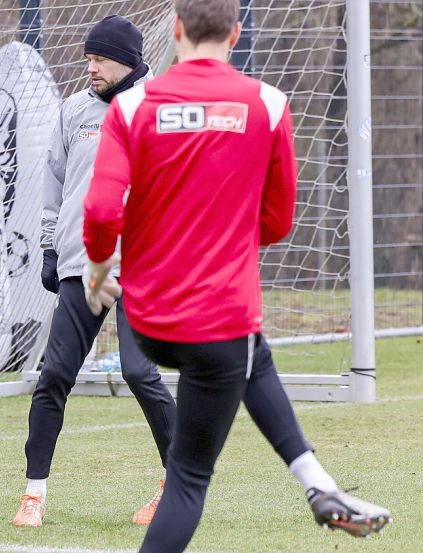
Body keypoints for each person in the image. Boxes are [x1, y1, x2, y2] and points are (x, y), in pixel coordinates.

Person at [81, 1, 391, 550]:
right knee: (188, 479)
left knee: (253, 352)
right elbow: (277, 221)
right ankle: (318, 487)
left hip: (151, 321)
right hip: (219, 321)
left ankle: (318, 484)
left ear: (175, 31)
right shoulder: (268, 104)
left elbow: (103, 210)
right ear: (236, 34)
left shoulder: (131, 108)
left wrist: (99, 270)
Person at [12, 15, 177, 528]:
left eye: (100, 58)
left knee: (139, 371)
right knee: (54, 374)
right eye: (88, 58)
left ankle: (178, 485)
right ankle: (33, 493)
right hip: (81, 265)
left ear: (127, 60)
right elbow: (54, 185)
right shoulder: (73, 110)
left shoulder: (160, 110)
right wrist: (47, 248)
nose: (92, 68)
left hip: (142, 268)